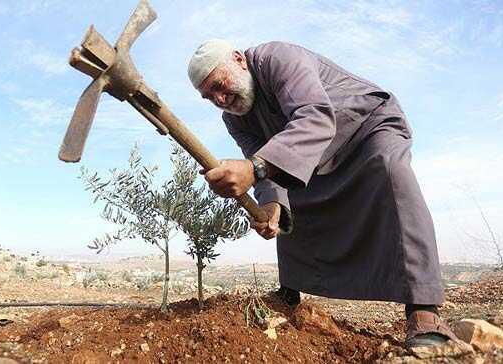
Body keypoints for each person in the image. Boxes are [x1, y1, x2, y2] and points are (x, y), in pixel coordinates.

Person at [187, 39, 457, 348]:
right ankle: (288, 295)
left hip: (367, 129)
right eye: (210, 97)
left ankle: (424, 312)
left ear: (239, 60)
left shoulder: (277, 59)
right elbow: (262, 168)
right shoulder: (233, 119)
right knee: (292, 203)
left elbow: (315, 117)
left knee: (391, 172)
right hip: (316, 156)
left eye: (220, 85)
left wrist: (254, 168)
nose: (221, 98)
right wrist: (273, 205)